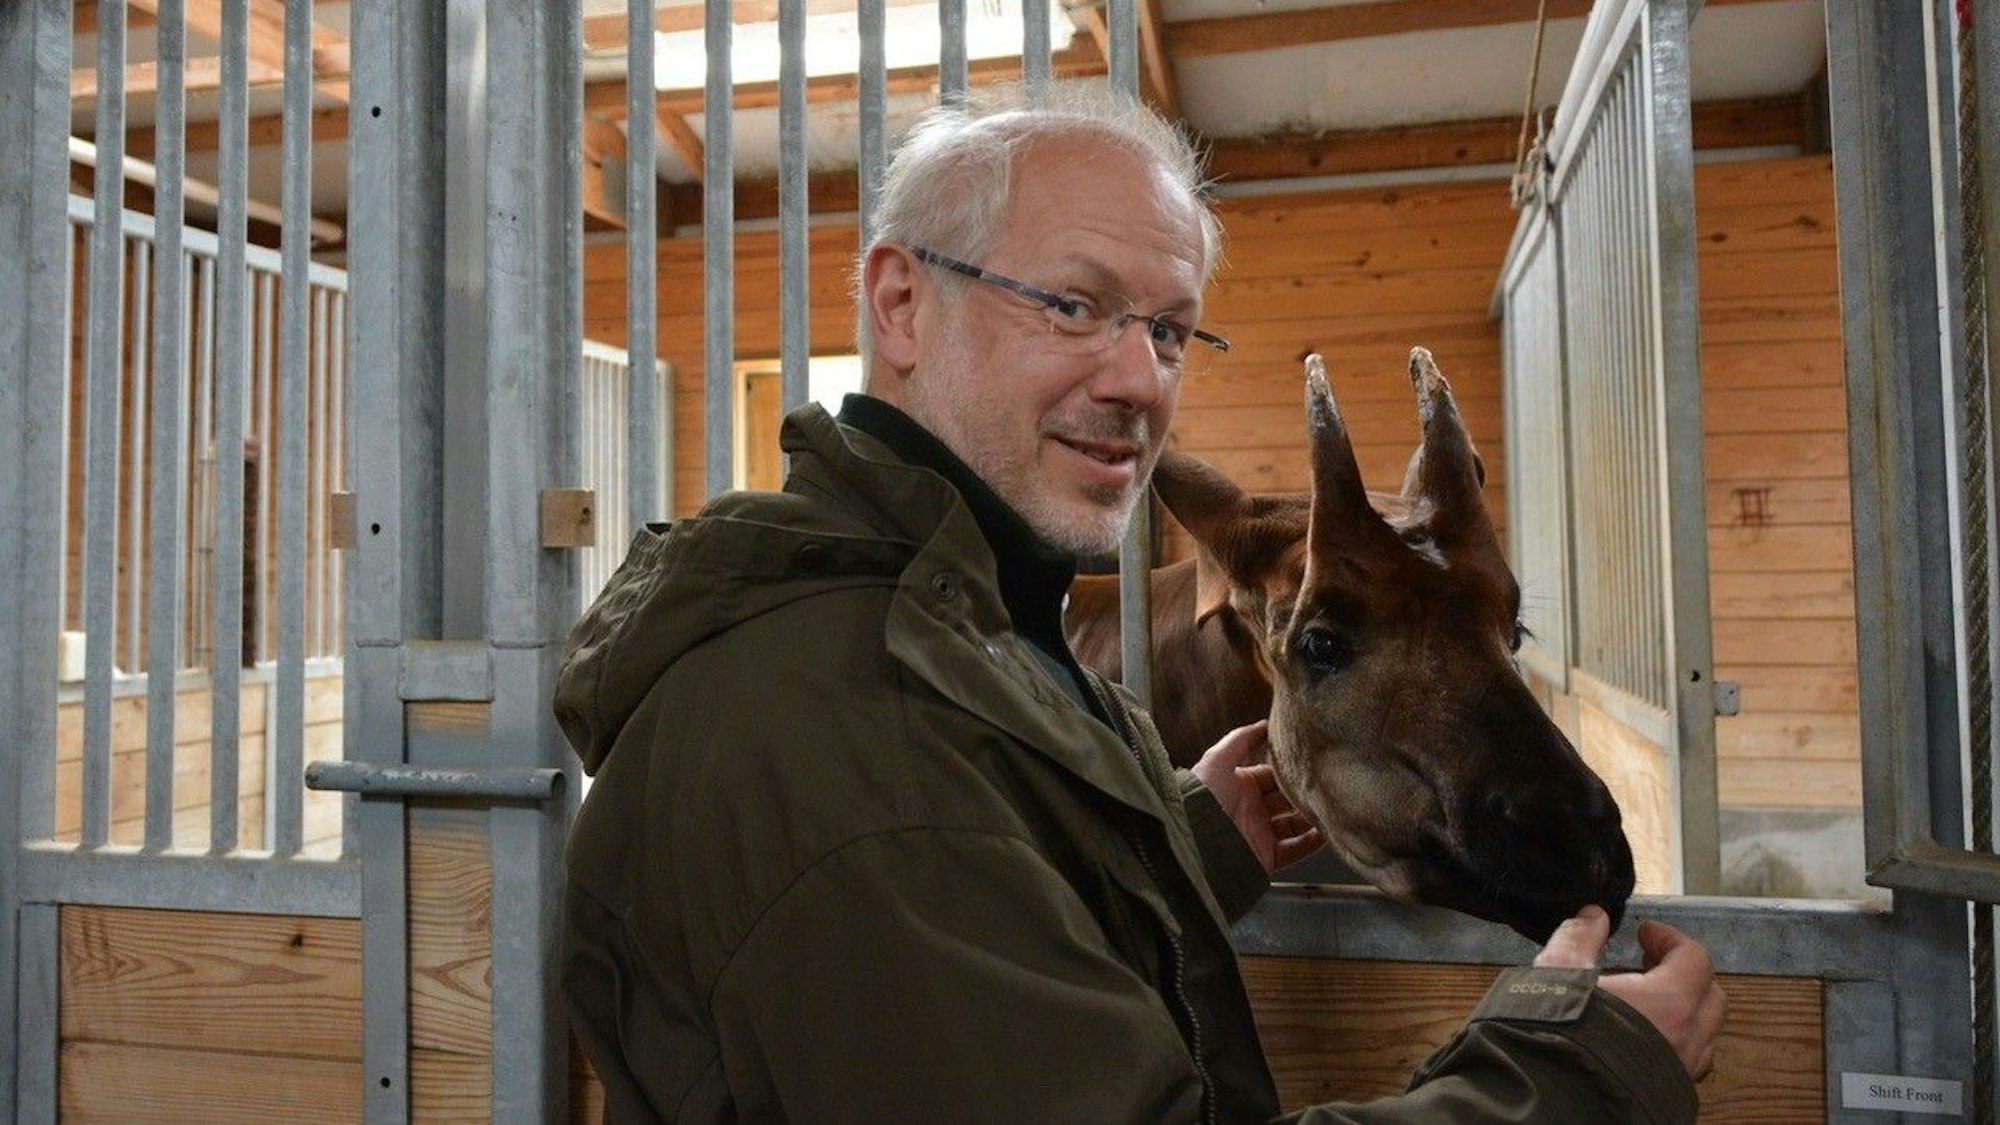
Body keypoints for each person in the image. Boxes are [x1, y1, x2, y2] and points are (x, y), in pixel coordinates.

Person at [555, 86, 1726, 1123]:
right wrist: (1574, 1080)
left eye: (1167, 328)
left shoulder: (975, 631)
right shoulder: (847, 739)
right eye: (1071, 305)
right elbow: (915, 851)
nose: (1137, 381)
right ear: (901, 305)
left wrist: (1175, 845)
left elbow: (975, 938)